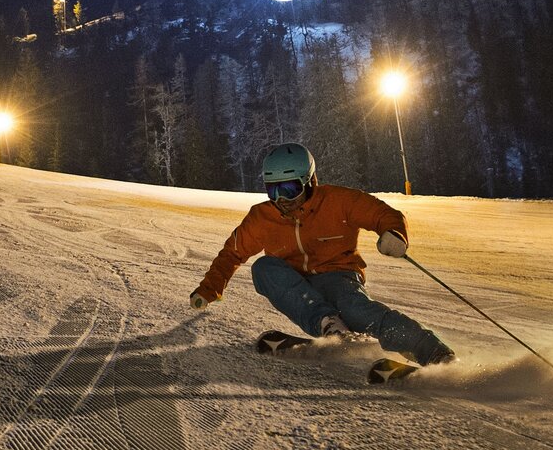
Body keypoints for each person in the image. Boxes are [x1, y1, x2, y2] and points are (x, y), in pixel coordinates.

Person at [190, 142, 455, 366]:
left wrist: (394, 234)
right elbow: (231, 254)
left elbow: (385, 215)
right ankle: (331, 326)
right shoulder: (262, 217)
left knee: (357, 310)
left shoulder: (338, 201)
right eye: (274, 190)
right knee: (263, 269)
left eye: (290, 189)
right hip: (295, 283)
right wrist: (208, 289)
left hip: (338, 276)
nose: (282, 199)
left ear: (310, 181)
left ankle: (434, 353)